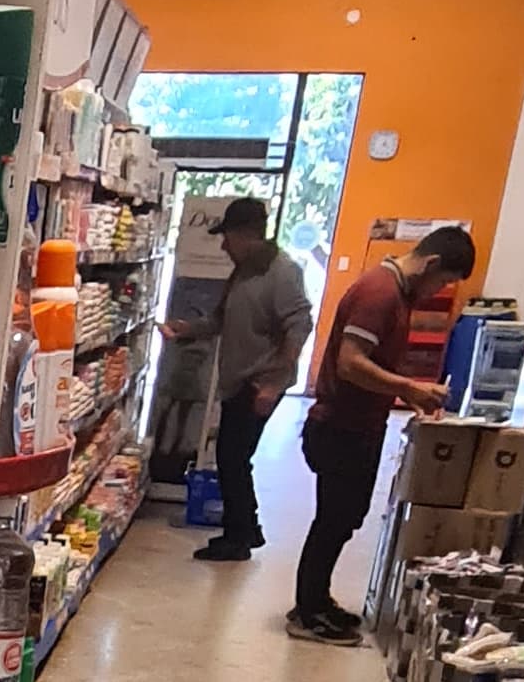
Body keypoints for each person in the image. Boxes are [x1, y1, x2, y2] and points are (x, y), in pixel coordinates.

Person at [289, 223, 474, 644]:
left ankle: (316, 599)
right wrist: (408, 387)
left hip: (357, 426)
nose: (436, 292)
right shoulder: (380, 294)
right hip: (341, 427)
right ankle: (308, 612)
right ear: (431, 263)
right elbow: (351, 363)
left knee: (343, 518)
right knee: (334, 520)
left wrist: (405, 393)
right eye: (442, 282)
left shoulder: (392, 292)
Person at [186, 196, 313, 564]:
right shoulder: (243, 271)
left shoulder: (282, 271)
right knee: (233, 458)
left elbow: (299, 325)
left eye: (227, 237)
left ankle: (239, 538)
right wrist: (187, 330)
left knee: (233, 458)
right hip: (240, 382)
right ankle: (245, 529)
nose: (223, 246)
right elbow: (220, 320)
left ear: (246, 235)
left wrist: (273, 384)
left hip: (257, 383)